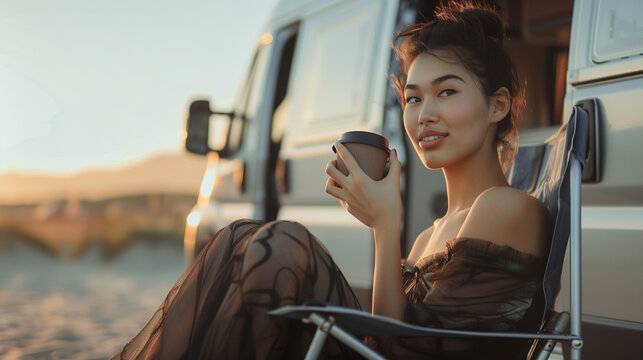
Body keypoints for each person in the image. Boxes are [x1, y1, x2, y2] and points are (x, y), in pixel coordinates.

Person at [112, 2, 552, 359]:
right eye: (413, 98)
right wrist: (387, 227)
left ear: (497, 106)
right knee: (244, 244)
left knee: (279, 245)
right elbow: (388, 341)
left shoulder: (505, 207)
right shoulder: (431, 236)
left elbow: (399, 349)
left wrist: (384, 226)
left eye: (447, 91)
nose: (425, 114)